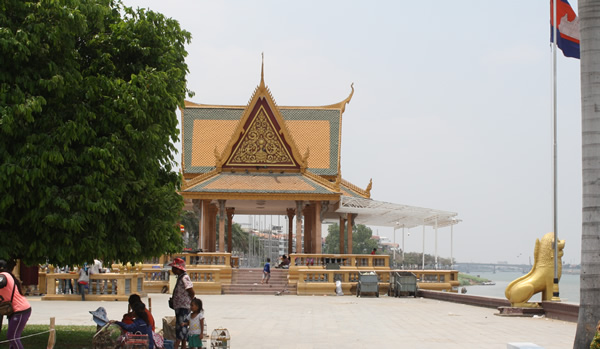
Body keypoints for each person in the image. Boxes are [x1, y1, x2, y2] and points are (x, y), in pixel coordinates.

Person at [0, 260, 32, 349]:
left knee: (12, 336)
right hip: (15, 311)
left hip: (21, 310)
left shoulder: (4, 276)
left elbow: (1, 283)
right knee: (13, 337)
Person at [170, 257, 195, 349]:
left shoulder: (184, 277)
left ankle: (177, 346)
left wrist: (189, 302)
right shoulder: (180, 277)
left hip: (183, 307)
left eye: (173, 268)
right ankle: (183, 346)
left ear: (178, 269)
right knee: (182, 328)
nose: (172, 270)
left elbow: (191, 291)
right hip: (179, 306)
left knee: (181, 327)